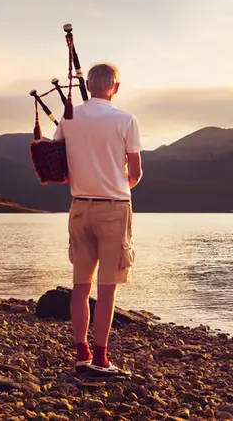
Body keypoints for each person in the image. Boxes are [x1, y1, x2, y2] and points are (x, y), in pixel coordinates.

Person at [52, 62, 143, 376]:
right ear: (115, 87)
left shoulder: (69, 117)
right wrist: (115, 185)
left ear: (89, 85)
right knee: (107, 290)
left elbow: (56, 162)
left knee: (80, 287)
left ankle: (81, 354)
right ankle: (101, 358)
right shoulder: (126, 120)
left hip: (79, 208)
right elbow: (136, 172)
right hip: (113, 209)